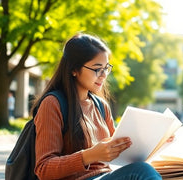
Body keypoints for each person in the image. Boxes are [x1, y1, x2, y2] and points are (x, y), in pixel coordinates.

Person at [32, 33, 162, 180]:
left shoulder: (100, 106)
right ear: (74, 70)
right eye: (97, 69)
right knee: (141, 171)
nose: (104, 75)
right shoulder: (53, 104)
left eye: (106, 68)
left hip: (105, 175)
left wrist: (156, 141)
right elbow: (44, 169)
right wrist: (89, 155)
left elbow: (121, 155)